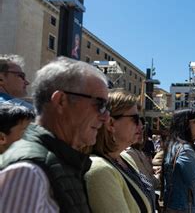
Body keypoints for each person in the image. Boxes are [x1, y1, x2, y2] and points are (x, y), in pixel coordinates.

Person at [0, 57, 109, 212]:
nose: (105, 117)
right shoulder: (27, 172)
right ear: (61, 101)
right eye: (100, 104)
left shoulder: (59, 161)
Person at [85, 89, 155, 213]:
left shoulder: (125, 158)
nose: (141, 125)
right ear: (111, 123)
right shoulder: (99, 170)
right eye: (135, 118)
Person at [163, 109, 195, 213]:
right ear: (184, 124)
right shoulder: (185, 149)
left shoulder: (172, 145)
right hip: (189, 208)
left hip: (176, 206)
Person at [126, 117, 161, 190]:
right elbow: (148, 184)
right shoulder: (130, 153)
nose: (141, 133)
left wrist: (154, 169)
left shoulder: (138, 151)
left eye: (142, 129)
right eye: (136, 129)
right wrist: (159, 176)